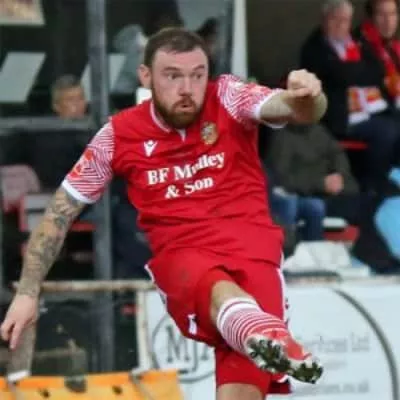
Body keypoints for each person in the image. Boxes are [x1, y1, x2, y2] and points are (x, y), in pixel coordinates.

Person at [0, 28, 327, 400]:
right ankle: (254, 326)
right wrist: (27, 293)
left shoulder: (229, 95)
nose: (187, 89)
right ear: (145, 76)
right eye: (173, 76)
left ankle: (254, 329)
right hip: (185, 258)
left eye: (197, 75)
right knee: (211, 284)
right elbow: (59, 213)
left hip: (253, 253)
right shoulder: (118, 135)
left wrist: (308, 95)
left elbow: (295, 109)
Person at [300, 0, 400, 192]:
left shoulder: (354, 42)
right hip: (338, 116)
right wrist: (358, 71)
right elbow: (338, 74)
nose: (340, 25)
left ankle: (389, 174)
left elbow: (377, 69)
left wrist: (353, 72)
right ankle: (373, 182)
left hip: (367, 109)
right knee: (387, 131)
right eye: (335, 19)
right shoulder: (315, 47)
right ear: (324, 19)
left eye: (345, 20)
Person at [268, 123, 359, 242]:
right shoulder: (282, 138)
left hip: (334, 191)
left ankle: (317, 248)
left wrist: (339, 175)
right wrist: (320, 184)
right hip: (304, 193)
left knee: (360, 200)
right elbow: (282, 179)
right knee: (314, 207)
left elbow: (337, 153)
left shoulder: (319, 131)